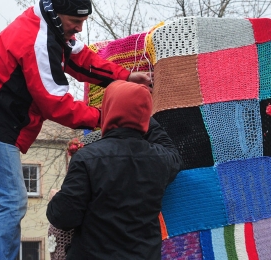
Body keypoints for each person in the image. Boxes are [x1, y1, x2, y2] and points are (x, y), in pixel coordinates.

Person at [0, 0, 152, 259]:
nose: (79, 28)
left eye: (83, 21)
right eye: (75, 21)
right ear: (59, 13)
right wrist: (105, 117)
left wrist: (124, 76)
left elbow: (80, 59)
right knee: (13, 202)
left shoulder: (50, 23)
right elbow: (54, 102)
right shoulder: (38, 40)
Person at [46, 80, 182, 260]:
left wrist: (57, 199)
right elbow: (169, 147)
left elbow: (63, 218)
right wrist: (138, 110)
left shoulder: (87, 158)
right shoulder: (161, 159)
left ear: (108, 110)